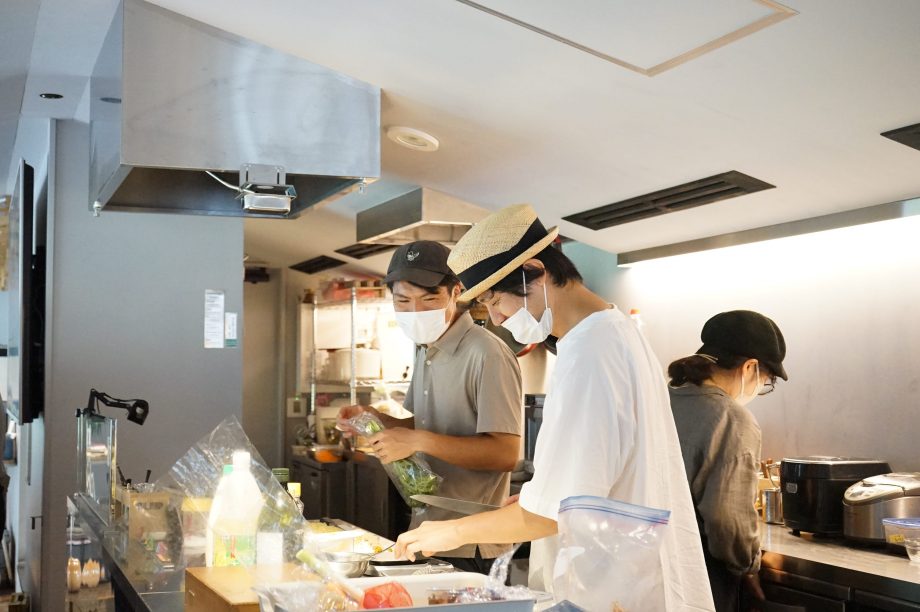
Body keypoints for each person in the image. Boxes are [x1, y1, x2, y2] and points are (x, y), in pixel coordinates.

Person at [394, 204, 714, 611]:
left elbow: (553, 514)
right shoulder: (613, 331)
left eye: (495, 300)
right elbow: (596, 479)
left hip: (618, 590)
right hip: (630, 578)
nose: (496, 319)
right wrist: (539, 493)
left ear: (534, 271)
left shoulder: (591, 352)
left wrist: (449, 533)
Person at [338, 240, 523, 574]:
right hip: (427, 532)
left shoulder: (487, 354)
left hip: (472, 542)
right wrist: (374, 420)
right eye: (403, 301)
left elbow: (505, 453)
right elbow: (426, 426)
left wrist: (419, 440)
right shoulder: (425, 348)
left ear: (456, 292)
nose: (415, 311)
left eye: (429, 299)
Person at [667, 310, 788, 611]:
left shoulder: (661, 398)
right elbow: (727, 520)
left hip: (650, 567)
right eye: (767, 381)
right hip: (699, 576)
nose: (761, 388)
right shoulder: (732, 419)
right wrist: (748, 567)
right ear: (750, 367)